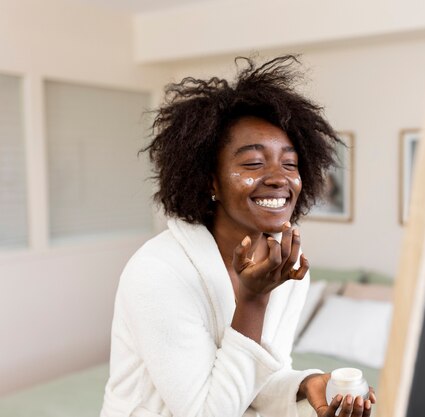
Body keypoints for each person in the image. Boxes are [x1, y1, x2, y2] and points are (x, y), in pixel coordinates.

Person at [100, 55, 376, 417]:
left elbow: (254, 382)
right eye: (253, 163)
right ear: (210, 180)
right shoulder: (158, 272)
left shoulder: (288, 267)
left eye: (290, 164)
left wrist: (304, 386)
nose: (279, 177)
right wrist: (253, 301)